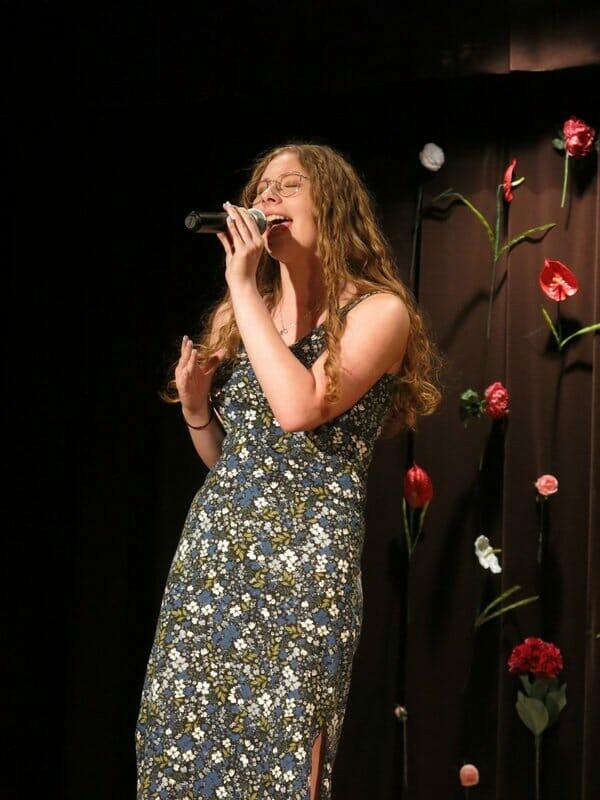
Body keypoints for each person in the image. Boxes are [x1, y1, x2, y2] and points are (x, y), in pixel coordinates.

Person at [135, 142, 442, 799]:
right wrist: (197, 412)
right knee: (183, 747)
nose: (266, 198)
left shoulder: (378, 313)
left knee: (282, 751)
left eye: (288, 185)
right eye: (261, 188)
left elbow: (300, 408)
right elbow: (239, 463)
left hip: (304, 568)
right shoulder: (243, 316)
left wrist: (243, 285)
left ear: (333, 207)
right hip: (215, 562)